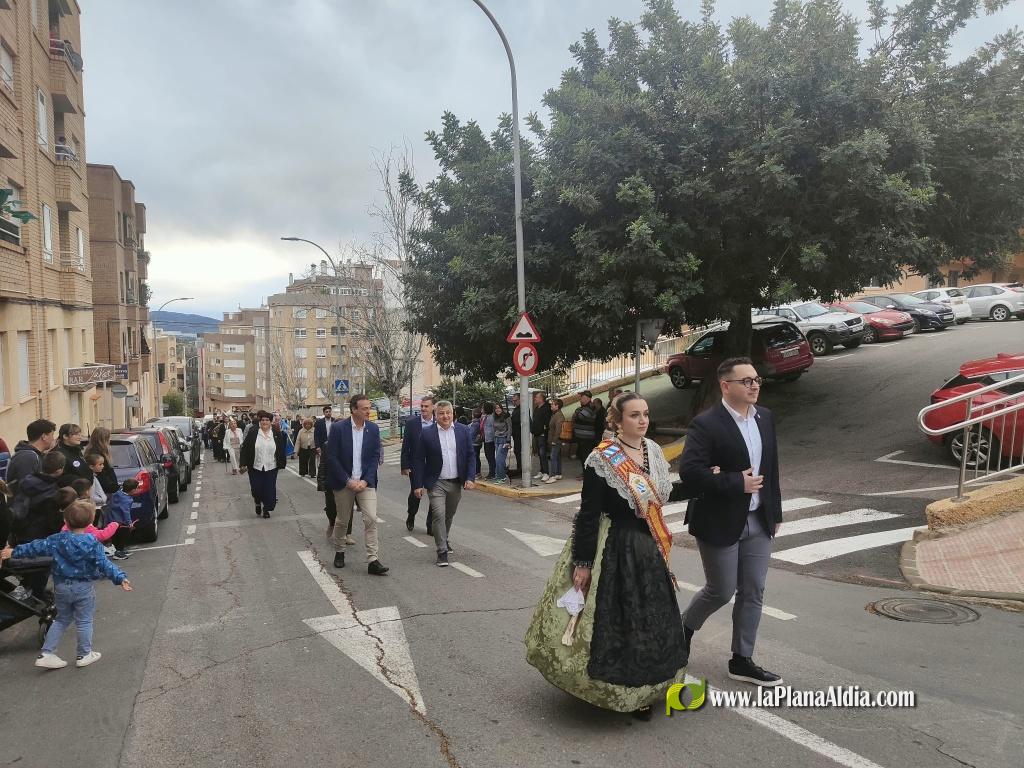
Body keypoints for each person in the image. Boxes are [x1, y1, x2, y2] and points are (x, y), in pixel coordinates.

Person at [525, 392, 686, 719]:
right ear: (618, 420)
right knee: (620, 620)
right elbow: (587, 514)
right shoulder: (602, 459)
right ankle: (626, 690)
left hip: (647, 548)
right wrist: (583, 564)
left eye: (645, 414)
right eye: (634, 415)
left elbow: (661, 497)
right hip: (614, 546)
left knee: (651, 617)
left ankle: (651, 685)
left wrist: (706, 483)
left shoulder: (653, 451)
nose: (642, 420)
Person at [679, 357, 784, 687]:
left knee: (754, 591)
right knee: (721, 590)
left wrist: (775, 511)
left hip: (758, 519)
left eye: (756, 380)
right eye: (746, 381)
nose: (754, 385)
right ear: (726, 386)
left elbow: (772, 467)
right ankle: (682, 630)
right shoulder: (706, 424)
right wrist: (735, 482)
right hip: (719, 520)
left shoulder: (764, 418)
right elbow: (691, 474)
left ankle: (741, 659)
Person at [1, 500, 132, 670]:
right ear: (91, 522)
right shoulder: (92, 543)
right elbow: (105, 565)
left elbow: (36, 547)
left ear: (66, 521)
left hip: (62, 587)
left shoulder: (57, 540)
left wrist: (14, 551)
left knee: (61, 619)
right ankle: (84, 654)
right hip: (83, 587)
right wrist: (120, 578)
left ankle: (47, 653)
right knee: (84, 621)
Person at [325, 394, 389, 575]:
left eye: (369, 408)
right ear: (354, 410)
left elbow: (374, 457)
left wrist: (364, 480)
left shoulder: (373, 429)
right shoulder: (338, 429)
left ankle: (373, 560)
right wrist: (348, 481)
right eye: (365, 408)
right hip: (344, 482)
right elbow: (332, 458)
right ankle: (339, 551)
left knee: (371, 518)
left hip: (365, 482)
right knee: (342, 520)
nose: (369, 411)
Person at [412, 400, 476, 568]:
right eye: (441, 413)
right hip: (436, 482)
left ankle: (444, 538)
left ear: (453, 413)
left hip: (456, 482)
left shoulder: (463, 431)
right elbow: (418, 460)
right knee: (438, 514)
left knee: (449, 514)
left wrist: (470, 478)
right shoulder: (427, 433)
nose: (445, 416)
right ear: (436, 415)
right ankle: (441, 551)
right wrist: (418, 484)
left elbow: (470, 455)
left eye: (448, 412)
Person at [238, 411, 286, 519]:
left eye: (267, 420)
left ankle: (266, 509)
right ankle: (257, 501)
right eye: (262, 420)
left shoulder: (276, 433)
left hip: (271, 467)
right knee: (256, 489)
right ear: (260, 421)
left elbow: (281, 449)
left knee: (269, 489)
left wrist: (282, 462)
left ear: (270, 422)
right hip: (255, 466)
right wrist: (243, 464)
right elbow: (244, 448)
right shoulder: (253, 432)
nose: (265, 422)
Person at [401, 396, 435, 532]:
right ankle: (411, 515)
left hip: (433, 465)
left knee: (435, 495)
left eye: (426, 406)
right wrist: (404, 465)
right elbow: (406, 446)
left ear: (433, 407)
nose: (423, 409)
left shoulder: (438, 423)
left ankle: (430, 525)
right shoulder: (412, 423)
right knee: (416, 493)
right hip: (416, 465)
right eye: (422, 406)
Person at [5, 419, 57, 492]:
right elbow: (27, 488)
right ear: (44, 436)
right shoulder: (28, 457)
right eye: (52, 435)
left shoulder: (33, 455)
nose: (53, 439)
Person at [106, 479, 138, 560]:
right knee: (124, 535)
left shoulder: (118, 493)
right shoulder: (127, 500)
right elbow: (126, 512)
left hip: (111, 518)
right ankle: (119, 552)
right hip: (120, 521)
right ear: (133, 490)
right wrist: (130, 523)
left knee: (115, 535)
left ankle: (119, 550)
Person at [84, 427, 119, 498]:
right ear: (103, 439)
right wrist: (112, 487)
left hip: (104, 490)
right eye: (108, 437)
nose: (109, 440)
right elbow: (102, 475)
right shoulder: (97, 454)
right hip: (103, 492)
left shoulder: (93, 451)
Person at [531, 392, 552, 482]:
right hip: (536, 434)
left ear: (541, 399)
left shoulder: (546, 408)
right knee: (539, 454)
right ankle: (542, 471)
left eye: (536, 397)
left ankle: (546, 473)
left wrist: (543, 431)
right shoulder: (536, 408)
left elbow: (547, 422)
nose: (535, 399)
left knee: (543, 453)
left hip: (542, 434)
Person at [572, 390, 598, 463]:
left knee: (586, 457)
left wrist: (577, 411)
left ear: (589, 398)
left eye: (583, 397)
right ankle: (585, 473)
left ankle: (587, 474)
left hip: (587, 437)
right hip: (582, 437)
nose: (581, 399)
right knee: (582, 457)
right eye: (581, 397)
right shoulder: (583, 407)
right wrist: (578, 411)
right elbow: (575, 416)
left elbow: (581, 416)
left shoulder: (590, 407)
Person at [545, 398, 565, 483]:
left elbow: (558, 429)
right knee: (557, 457)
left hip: (556, 440)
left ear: (557, 406)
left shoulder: (558, 415)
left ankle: (552, 476)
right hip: (555, 439)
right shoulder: (555, 414)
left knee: (553, 457)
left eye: (553, 404)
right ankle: (558, 474)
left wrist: (554, 440)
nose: (551, 405)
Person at [492, 403, 512, 485]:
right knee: (500, 460)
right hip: (496, 440)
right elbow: (494, 429)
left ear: (502, 408)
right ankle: (500, 476)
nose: (497, 410)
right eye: (496, 408)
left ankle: (501, 477)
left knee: (499, 459)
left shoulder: (506, 416)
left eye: (499, 408)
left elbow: (510, 429)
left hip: (504, 440)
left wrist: (508, 441)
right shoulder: (495, 417)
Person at [509, 393, 523, 477]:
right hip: (515, 434)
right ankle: (519, 469)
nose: (514, 402)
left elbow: (518, 421)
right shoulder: (516, 409)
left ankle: (520, 470)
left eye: (515, 400)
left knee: (519, 452)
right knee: (517, 452)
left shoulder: (522, 409)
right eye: (513, 401)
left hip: (520, 434)